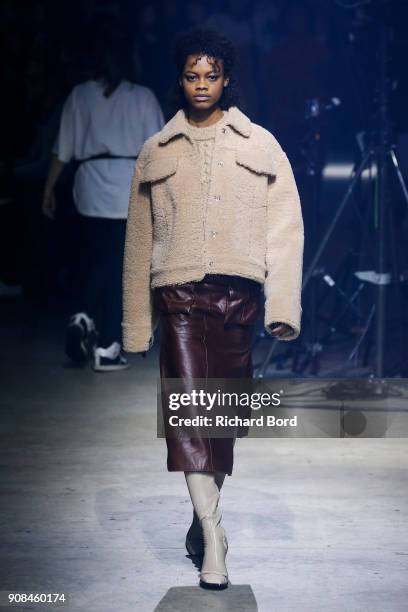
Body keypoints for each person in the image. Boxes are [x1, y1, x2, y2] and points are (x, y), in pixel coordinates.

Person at [122, 27, 304, 588]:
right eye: (191, 76)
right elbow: (137, 239)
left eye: (211, 76)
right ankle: (214, 539)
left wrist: (283, 304)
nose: (201, 85)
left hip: (238, 299)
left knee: (221, 420)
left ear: (226, 79)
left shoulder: (260, 144)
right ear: (179, 80)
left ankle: (206, 523)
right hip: (177, 294)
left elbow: (285, 228)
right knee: (192, 417)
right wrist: (136, 322)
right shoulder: (157, 149)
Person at [42, 21, 164, 371]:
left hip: (90, 185)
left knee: (96, 261)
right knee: (119, 270)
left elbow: (62, 149)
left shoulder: (80, 94)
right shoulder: (141, 97)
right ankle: (108, 345)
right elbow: (159, 150)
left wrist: (49, 189)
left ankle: (83, 318)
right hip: (128, 187)